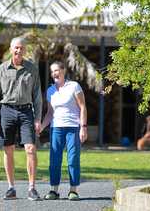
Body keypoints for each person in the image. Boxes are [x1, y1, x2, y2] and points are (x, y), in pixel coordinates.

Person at [0, 37, 42, 201]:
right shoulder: (1, 69)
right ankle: (11, 188)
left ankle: (32, 188)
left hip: (26, 112)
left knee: (30, 149)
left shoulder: (32, 69)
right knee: (8, 149)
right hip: (7, 111)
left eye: (21, 48)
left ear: (25, 50)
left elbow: (37, 96)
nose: (18, 51)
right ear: (11, 49)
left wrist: (38, 118)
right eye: (16, 48)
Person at [40, 61, 88, 201]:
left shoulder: (74, 86)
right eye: (52, 71)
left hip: (73, 128)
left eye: (56, 70)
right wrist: (42, 127)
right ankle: (54, 190)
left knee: (73, 159)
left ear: (63, 70)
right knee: (54, 160)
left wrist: (83, 127)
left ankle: (73, 190)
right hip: (56, 128)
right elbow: (50, 113)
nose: (54, 73)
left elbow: (83, 107)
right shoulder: (50, 91)